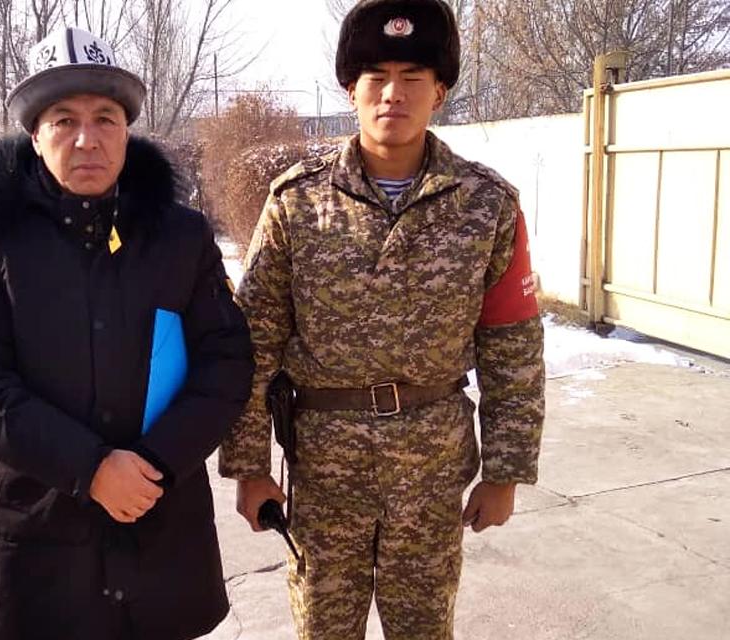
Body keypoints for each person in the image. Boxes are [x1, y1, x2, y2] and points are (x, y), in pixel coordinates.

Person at [218, 1, 546, 638]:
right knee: (323, 629)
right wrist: (250, 467)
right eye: (376, 77)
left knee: (424, 629)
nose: (393, 93)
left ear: (439, 92)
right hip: (324, 471)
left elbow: (512, 347)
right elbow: (253, 341)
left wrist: (506, 472)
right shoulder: (297, 202)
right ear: (351, 90)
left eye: (413, 77)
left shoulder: (487, 206)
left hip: (431, 470)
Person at [0, 27, 254, 640]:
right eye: (64, 120)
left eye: (105, 118)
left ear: (127, 130)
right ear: (35, 135)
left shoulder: (180, 237)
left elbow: (226, 362)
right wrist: (90, 468)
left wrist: (154, 463)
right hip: (42, 538)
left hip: (160, 524)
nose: (88, 139)